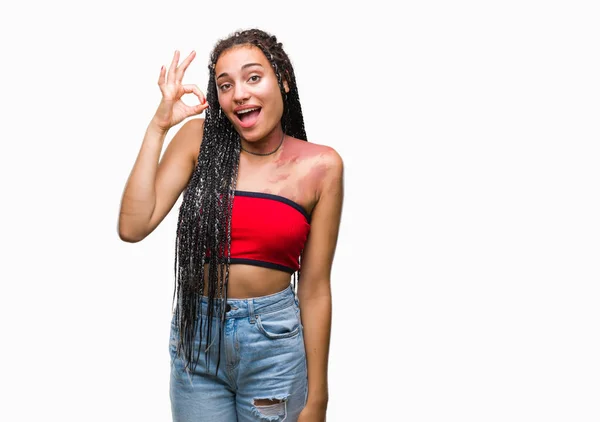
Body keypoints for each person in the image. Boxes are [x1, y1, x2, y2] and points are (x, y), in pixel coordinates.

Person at [118, 28, 343, 422]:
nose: (239, 93)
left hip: (272, 343)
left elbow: (315, 287)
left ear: (283, 81)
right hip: (197, 338)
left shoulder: (321, 167)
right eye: (225, 85)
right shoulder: (197, 141)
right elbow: (133, 226)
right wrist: (158, 127)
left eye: (253, 77)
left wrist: (318, 399)